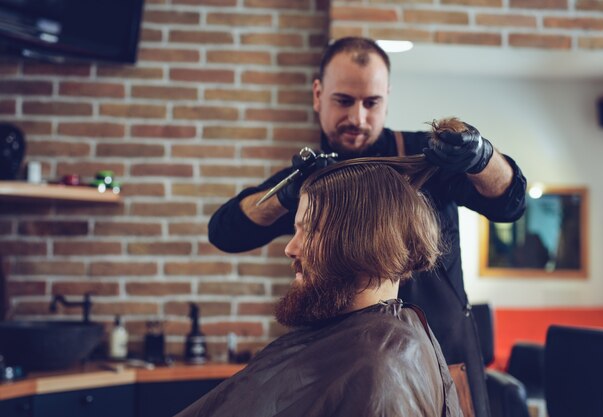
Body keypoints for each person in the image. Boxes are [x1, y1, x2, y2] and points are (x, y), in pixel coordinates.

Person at [209, 37, 527, 417]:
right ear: (318, 94)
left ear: (386, 98)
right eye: (343, 101)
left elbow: (511, 204)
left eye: (371, 103)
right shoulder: (314, 177)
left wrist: (482, 158)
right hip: (347, 361)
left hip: (441, 355)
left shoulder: (428, 158)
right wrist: (287, 193)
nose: (358, 117)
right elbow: (226, 231)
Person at [179, 156, 461, 417]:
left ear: (365, 241)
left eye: (311, 230)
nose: (290, 248)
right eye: (295, 231)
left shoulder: (378, 370)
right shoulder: (379, 343)